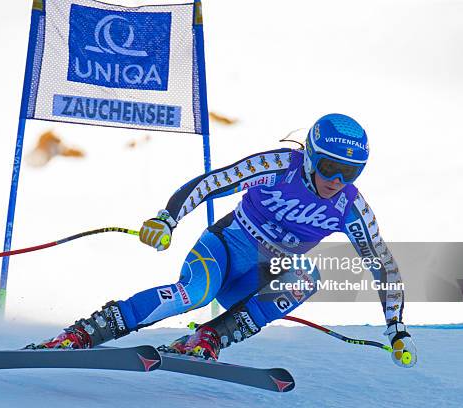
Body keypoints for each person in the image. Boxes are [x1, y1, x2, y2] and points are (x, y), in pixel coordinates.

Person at [28, 113, 417, 368]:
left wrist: (396, 328)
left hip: (259, 279)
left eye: (351, 172)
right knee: (192, 294)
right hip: (225, 251)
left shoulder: (351, 208)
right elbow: (213, 182)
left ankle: (208, 338)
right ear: (313, 158)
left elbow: (381, 264)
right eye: (331, 167)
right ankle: (83, 333)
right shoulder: (278, 166)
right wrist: (168, 218)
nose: (338, 181)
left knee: (308, 276)